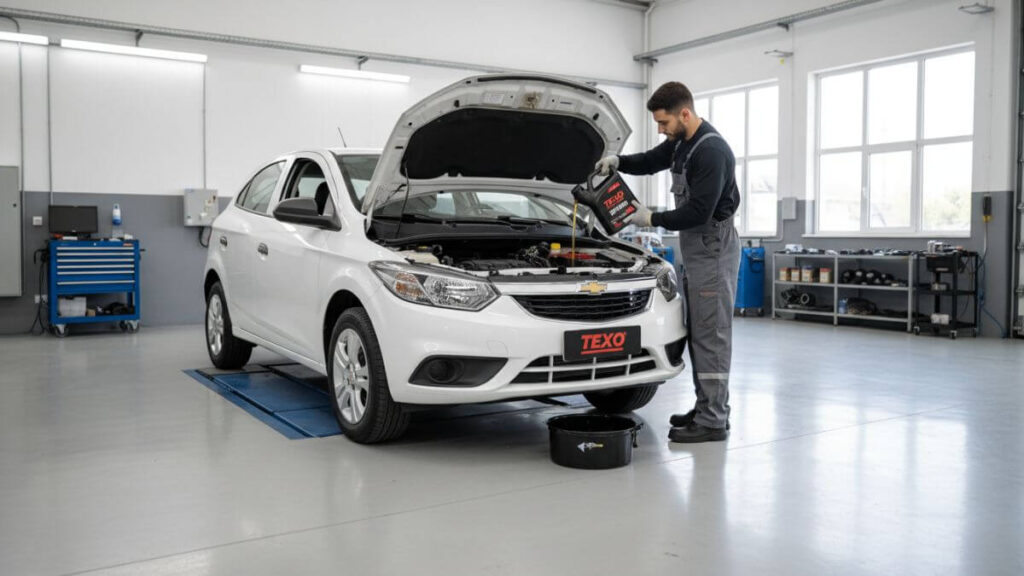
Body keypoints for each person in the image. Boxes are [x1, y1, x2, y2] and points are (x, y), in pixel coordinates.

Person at [596, 81, 740, 443]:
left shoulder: (711, 152)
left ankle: (713, 420)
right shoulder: (682, 142)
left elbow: (697, 211)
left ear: (685, 114)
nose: (661, 130)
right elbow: (651, 161)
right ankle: (707, 407)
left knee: (712, 335)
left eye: (664, 123)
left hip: (712, 244)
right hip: (695, 245)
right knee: (699, 332)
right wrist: (619, 162)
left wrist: (651, 218)